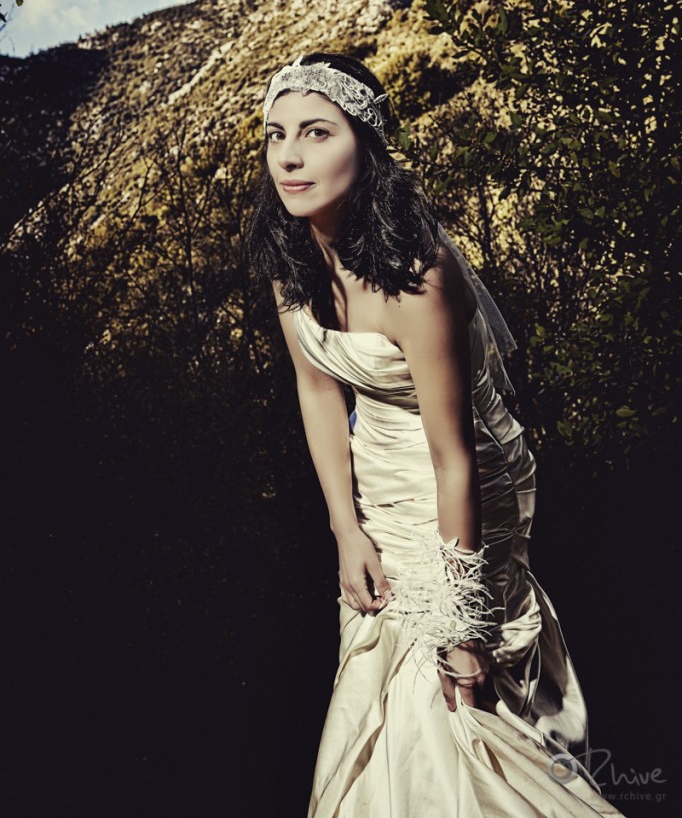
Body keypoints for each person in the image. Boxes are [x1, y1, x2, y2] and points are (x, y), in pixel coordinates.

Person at [248, 52, 624, 817]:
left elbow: (455, 460)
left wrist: (462, 623)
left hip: (459, 487)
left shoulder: (418, 276)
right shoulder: (291, 262)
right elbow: (318, 390)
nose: (288, 156)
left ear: (366, 144)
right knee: (376, 677)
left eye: (316, 132)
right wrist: (345, 528)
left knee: (449, 700)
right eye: (276, 134)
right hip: (377, 483)